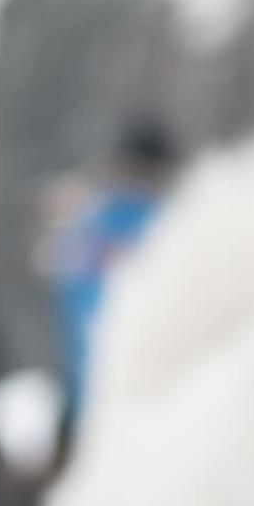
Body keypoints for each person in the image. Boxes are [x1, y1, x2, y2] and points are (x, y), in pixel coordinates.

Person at [45, 118, 180, 459]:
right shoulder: (171, 226)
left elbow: (66, 295)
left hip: (87, 402)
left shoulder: (85, 224)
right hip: (155, 405)